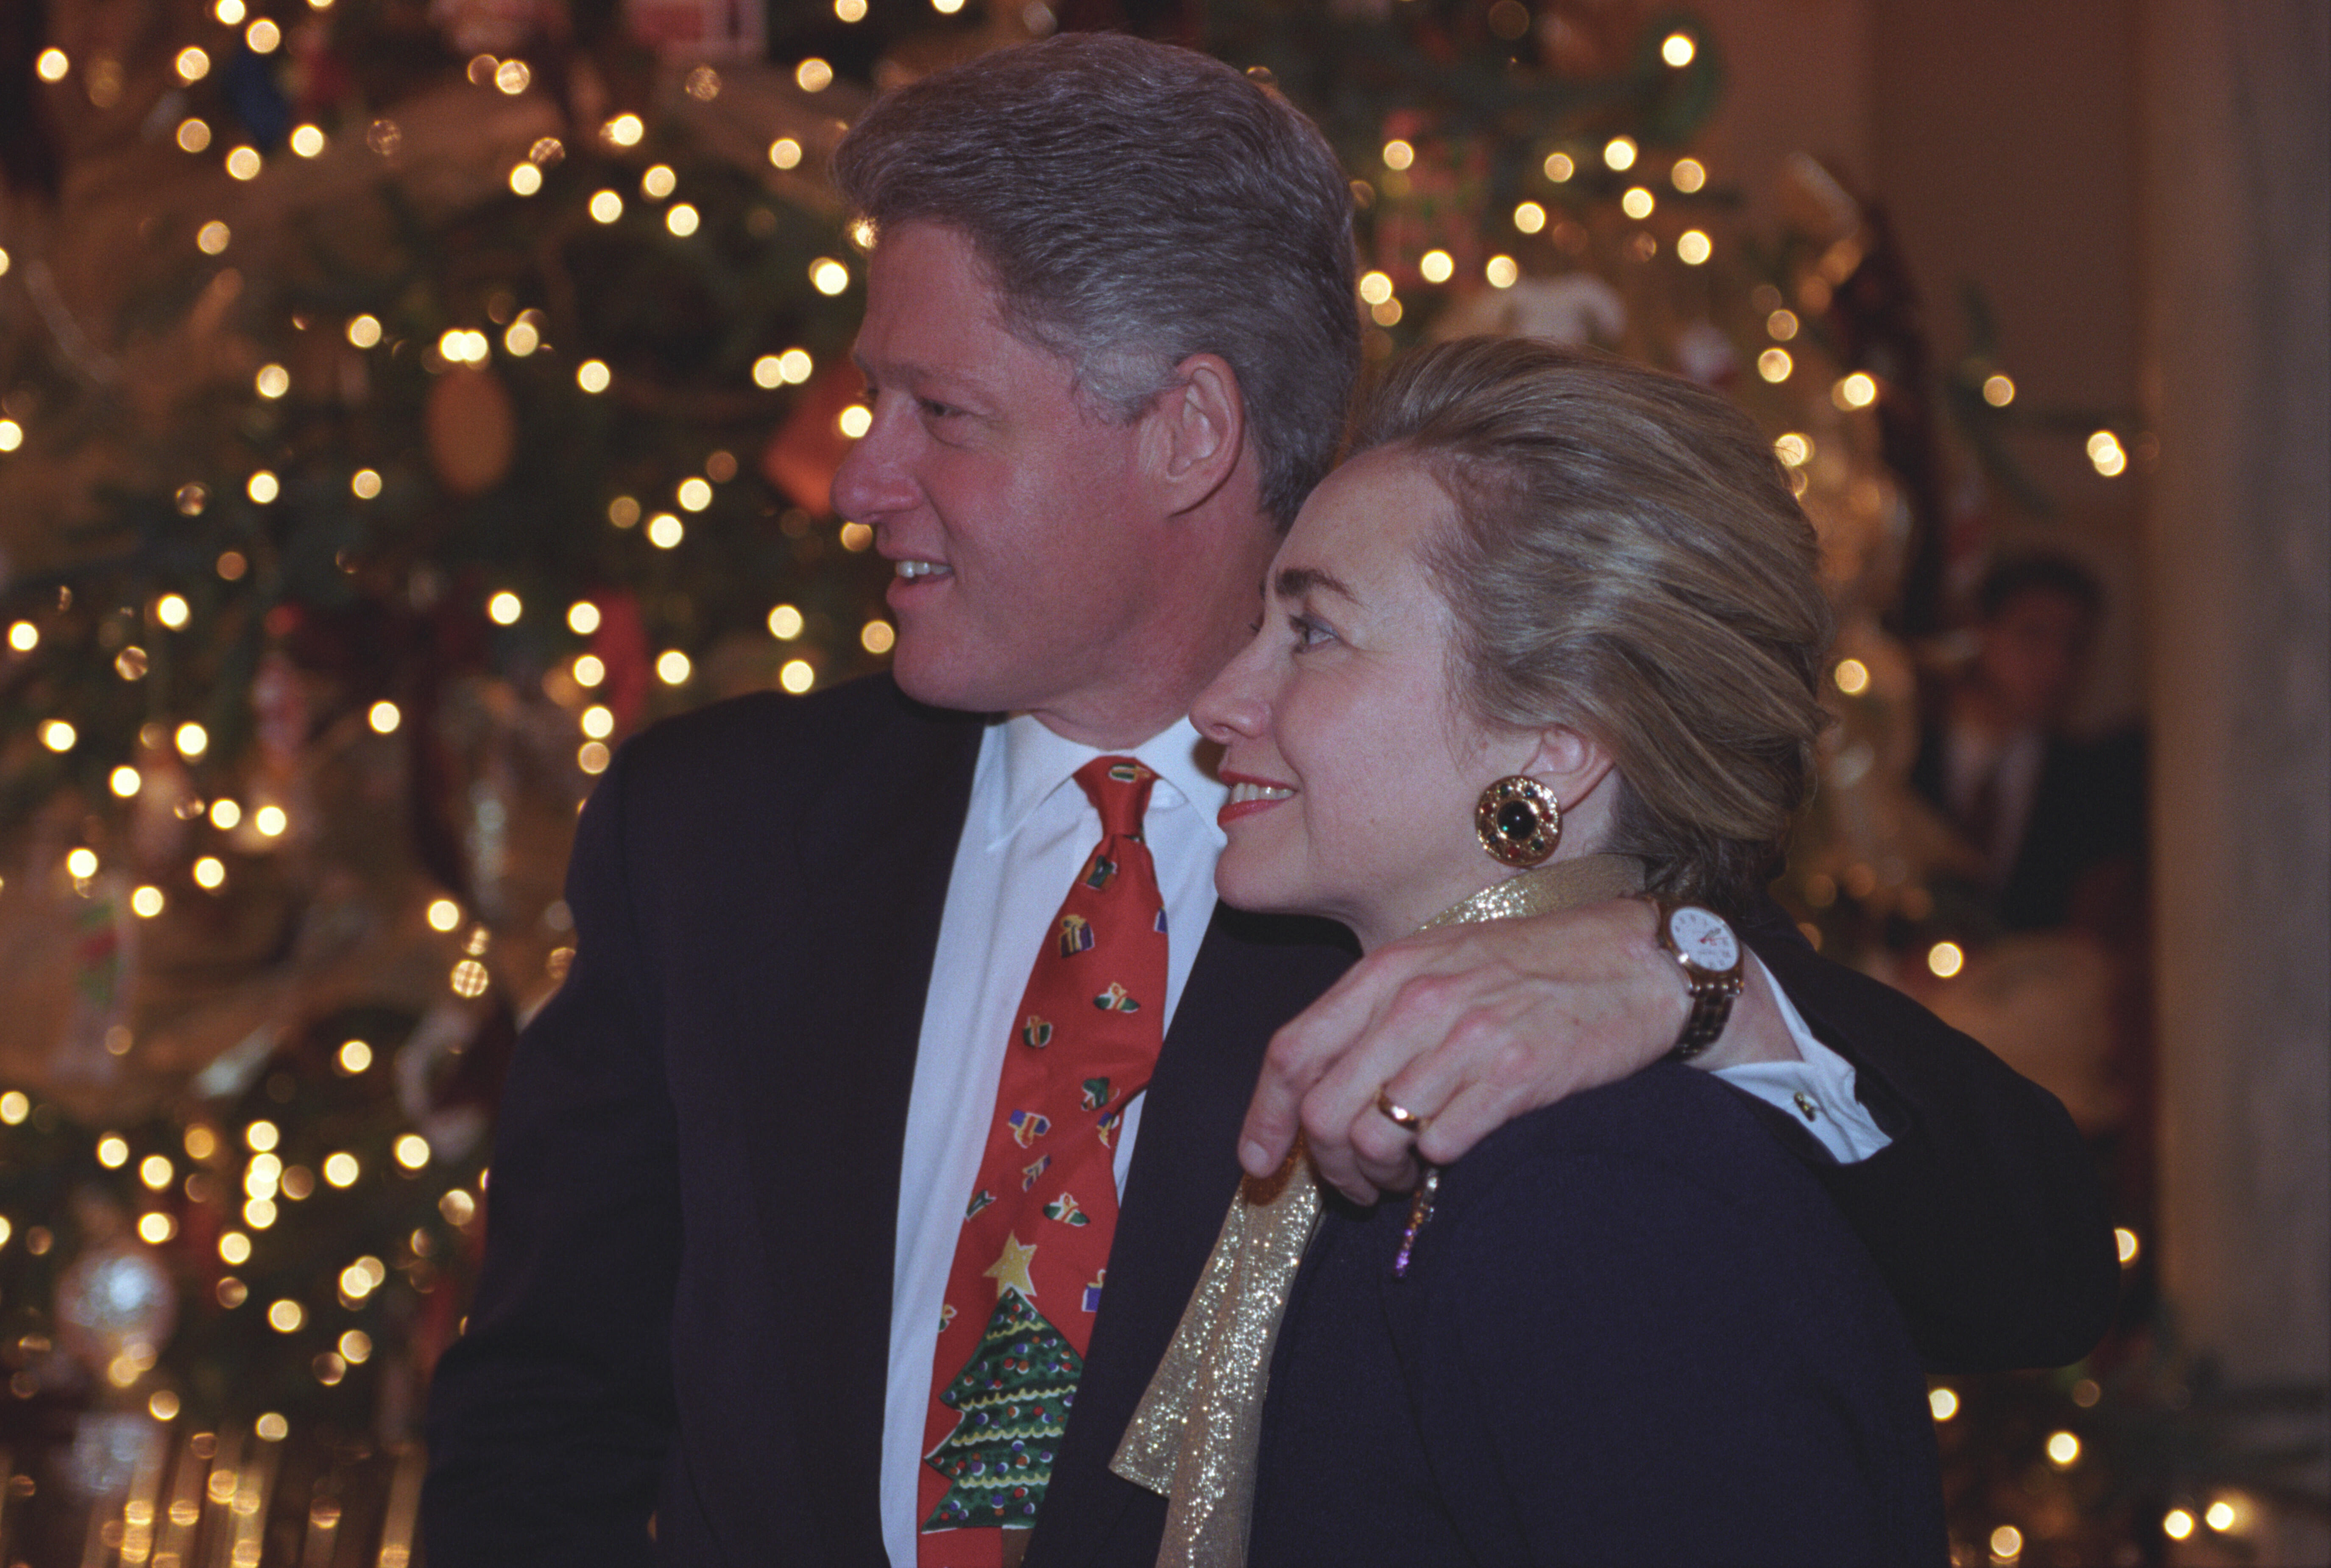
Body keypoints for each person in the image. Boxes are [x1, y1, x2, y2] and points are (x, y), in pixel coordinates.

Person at [421, 33, 2114, 1568]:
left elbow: (2026, 1265)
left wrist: (1698, 979)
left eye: (937, 410)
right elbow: (544, 1416)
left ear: (1187, 431)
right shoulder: (707, 834)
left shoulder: (1443, 871)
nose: (857, 478)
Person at [1121, 337, 1946, 1565]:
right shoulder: (1466, 1118)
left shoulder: (1609, 1191)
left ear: (1556, 739)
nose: (1218, 702)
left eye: (1313, 632)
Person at [1910, 551, 2145, 933]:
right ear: (1981, 632)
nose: (2055, 664)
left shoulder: (2091, 782)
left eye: (2074, 645)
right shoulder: (1905, 747)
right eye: (2032, 635)